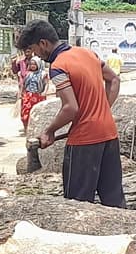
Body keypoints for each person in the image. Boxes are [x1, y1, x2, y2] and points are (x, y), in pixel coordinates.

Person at [18, 19, 125, 208]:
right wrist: (102, 111)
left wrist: (49, 131)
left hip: (84, 141)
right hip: (109, 134)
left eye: (34, 50)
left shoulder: (58, 66)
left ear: (43, 43)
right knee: (113, 201)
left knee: (77, 206)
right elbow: (114, 80)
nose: (36, 56)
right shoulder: (87, 53)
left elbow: (70, 108)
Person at [21, 58, 48, 133]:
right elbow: (24, 85)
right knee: (26, 113)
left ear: (38, 64)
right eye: (31, 64)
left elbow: (46, 84)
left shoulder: (43, 74)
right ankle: (27, 130)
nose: (33, 66)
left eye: (34, 64)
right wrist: (22, 93)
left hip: (39, 96)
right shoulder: (28, 74)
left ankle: (38, 131)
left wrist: (44, 92)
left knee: (39, 114)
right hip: (28, 96)